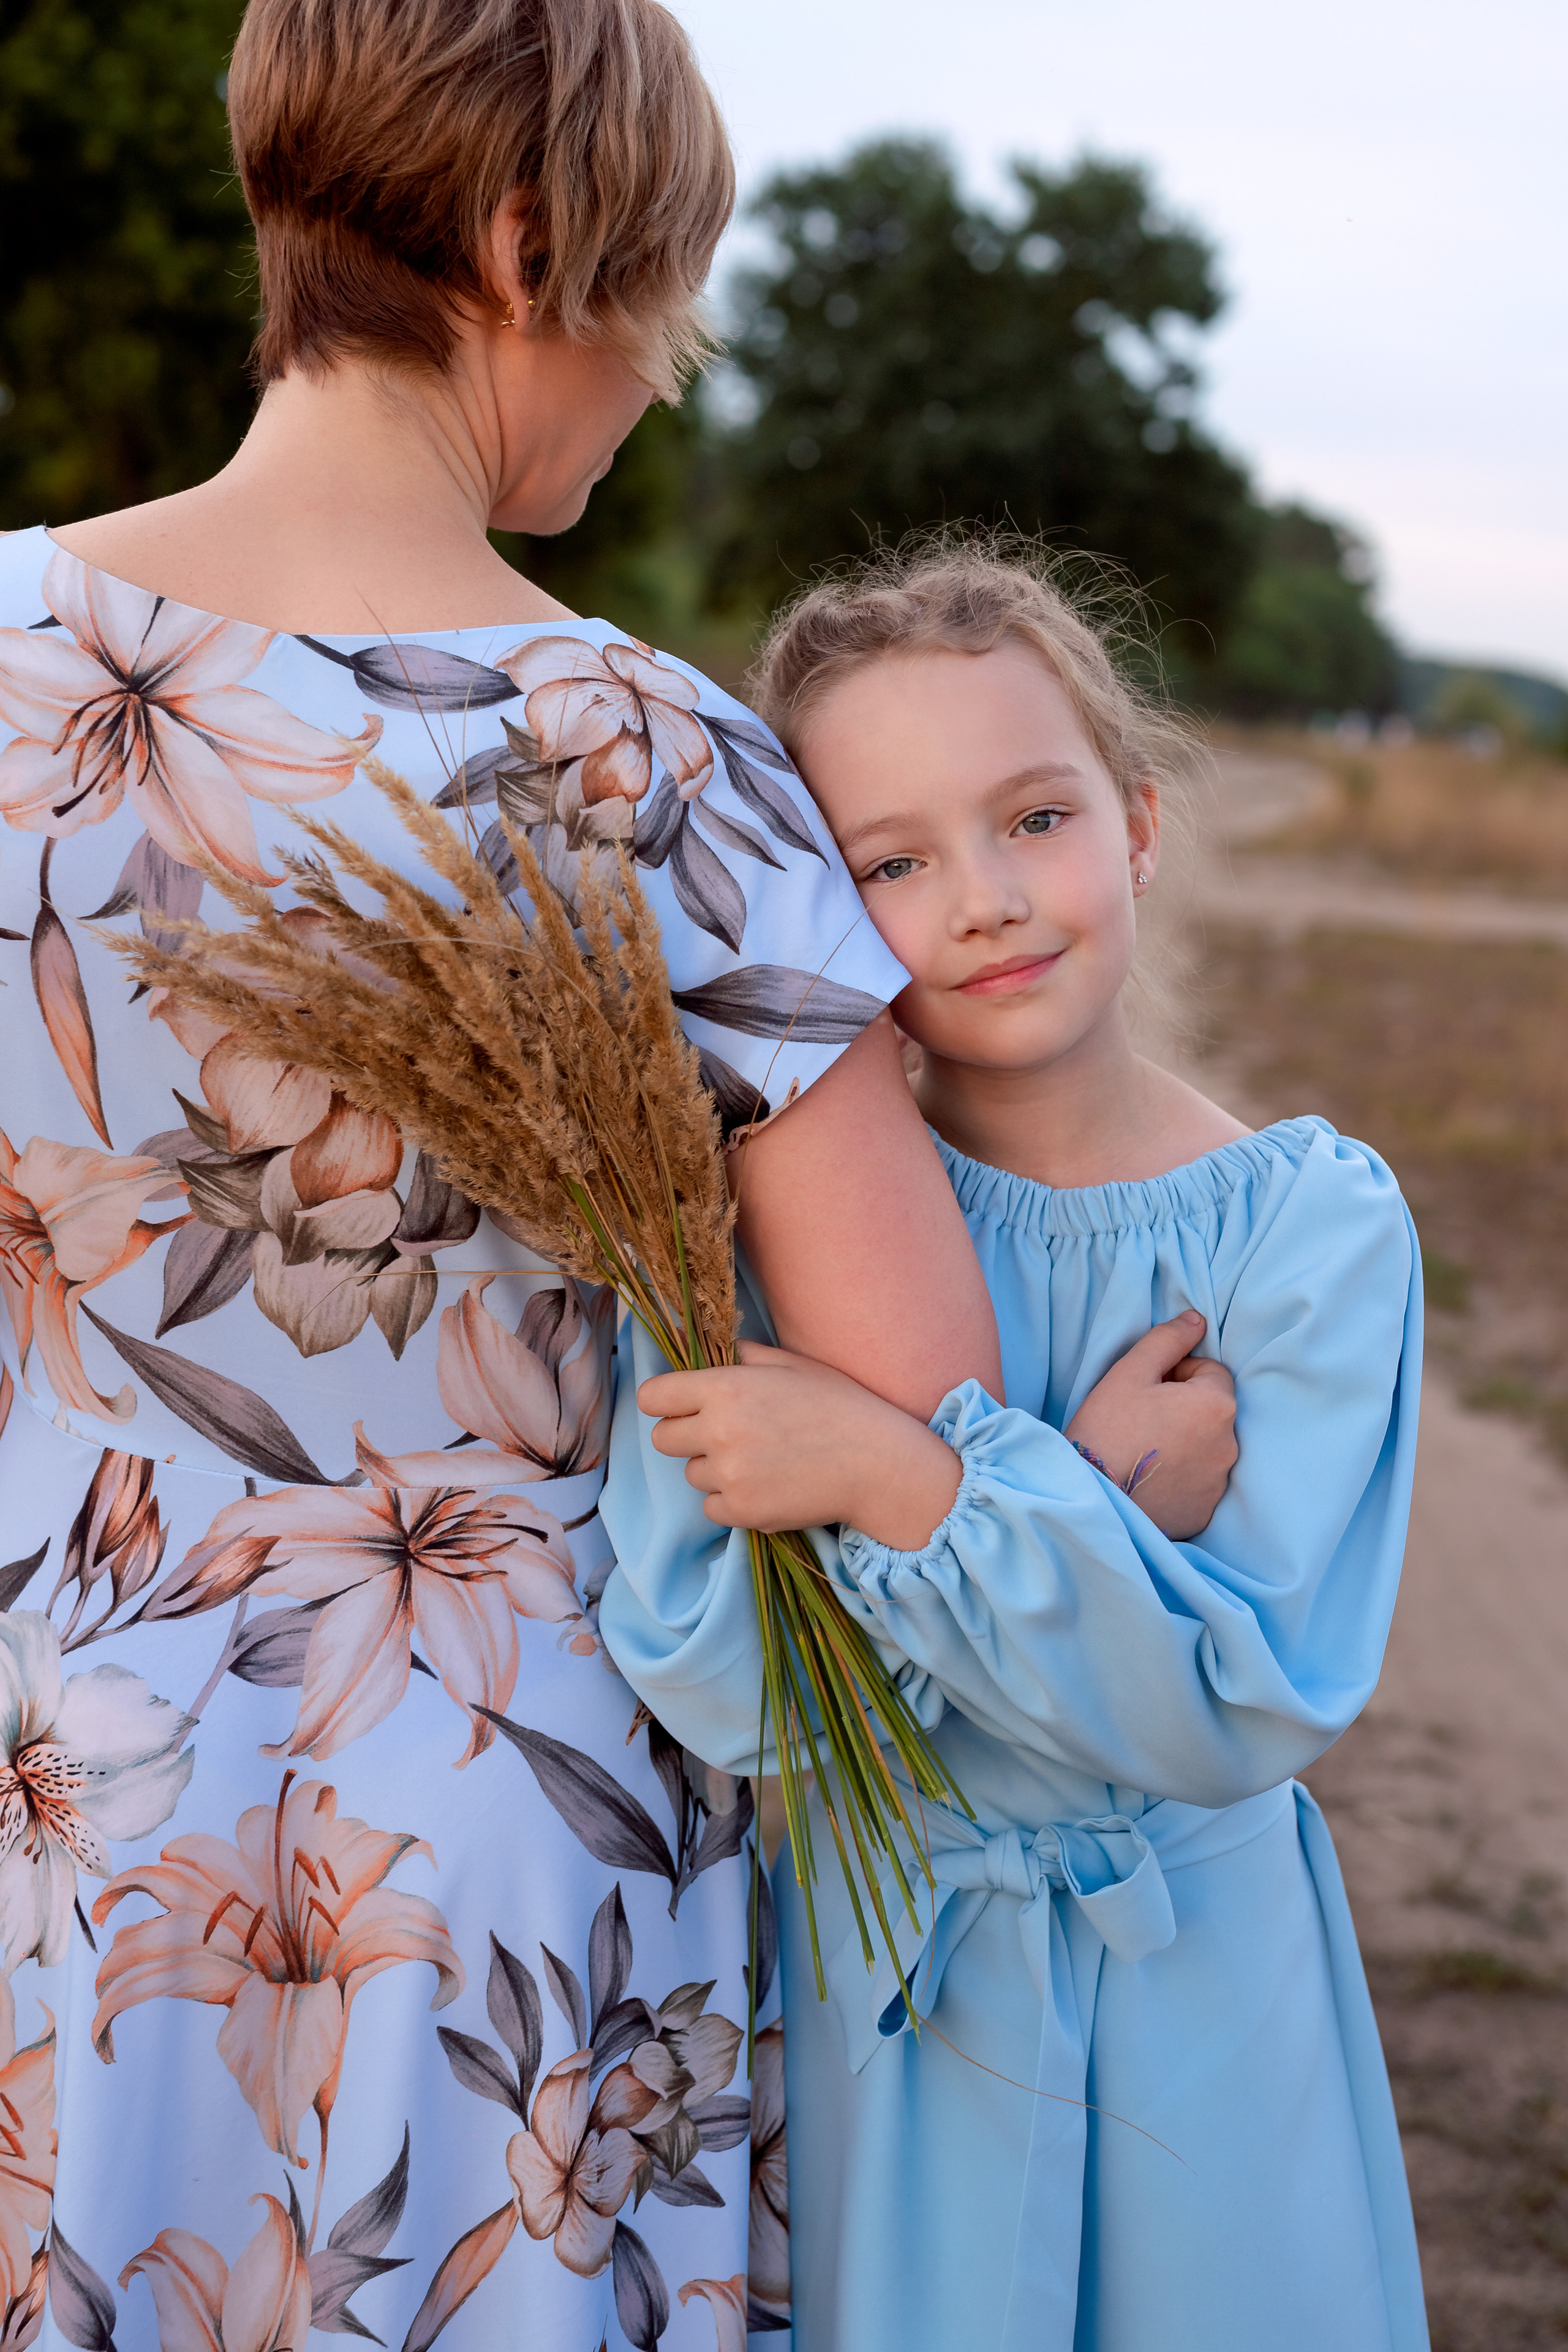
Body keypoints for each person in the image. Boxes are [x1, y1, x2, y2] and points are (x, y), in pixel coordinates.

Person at [0, 7, 1012, 2347]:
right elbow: (915, 1386)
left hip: (68, 1793)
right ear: (522, 237)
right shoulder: (650, 755)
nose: (660, 375)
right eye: (659, 298)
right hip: (514, 1878)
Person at [598, 542, 1430, 2351]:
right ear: (821, 907)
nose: (982, 900)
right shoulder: (736, 1239)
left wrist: (902, 1483)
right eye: (892, 863)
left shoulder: (1307, 1230)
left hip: (1204, 1998)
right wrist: (1094, 1517)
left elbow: (1245, 1695)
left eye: (1034, 818)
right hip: (893, 2005)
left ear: (1136, 822)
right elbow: (730, 1684)